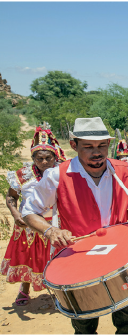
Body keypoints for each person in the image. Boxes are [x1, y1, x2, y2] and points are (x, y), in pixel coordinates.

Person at [22, 117, 128, 335]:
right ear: (74, 146)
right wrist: (50, 230)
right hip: (77, 261)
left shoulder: (124, 171)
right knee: (84, 325)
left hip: (122, 260)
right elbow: (29, 210)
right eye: (89, 147)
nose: (97, 152)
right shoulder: (57, 175)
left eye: (102, 145)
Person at [2, 127, 66, 306]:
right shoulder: (22, 175)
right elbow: (11, 198)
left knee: (56, 258)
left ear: (55, 157)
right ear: (33, 159)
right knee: (29, 257)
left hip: (54, 223)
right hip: (28, 226)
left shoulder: (62, 173)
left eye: (48, 158)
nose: (44, 162)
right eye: (40, 159)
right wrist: (16, 215)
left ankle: (60, 291)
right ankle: (24, 289)